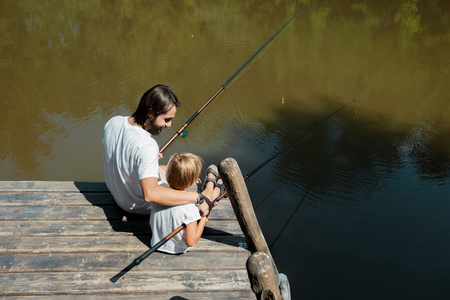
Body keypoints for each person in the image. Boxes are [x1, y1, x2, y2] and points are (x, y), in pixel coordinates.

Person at [102, 84, 210, 216]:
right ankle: (210, 185)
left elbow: (123, 152)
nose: (169, 125)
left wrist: (147, 157)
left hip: (118, 195)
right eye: (166, 119)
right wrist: (195, 197)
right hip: (138, 206)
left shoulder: (113, 122)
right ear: (150, 113)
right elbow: (150, 194)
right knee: (189, 181)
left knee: (167, 168)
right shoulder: (147, 145)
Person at [150, 153, 222, 254]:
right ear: (194, 182)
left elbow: (154, 176)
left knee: (202, 201)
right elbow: (191, 242)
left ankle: (213, 186)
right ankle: (216, 188)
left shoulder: (158, 191)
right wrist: (204, 218)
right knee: (205, 202)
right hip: (177, 249)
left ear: (167, 176)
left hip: (155, 243)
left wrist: (153, 161)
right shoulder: (190, 209)